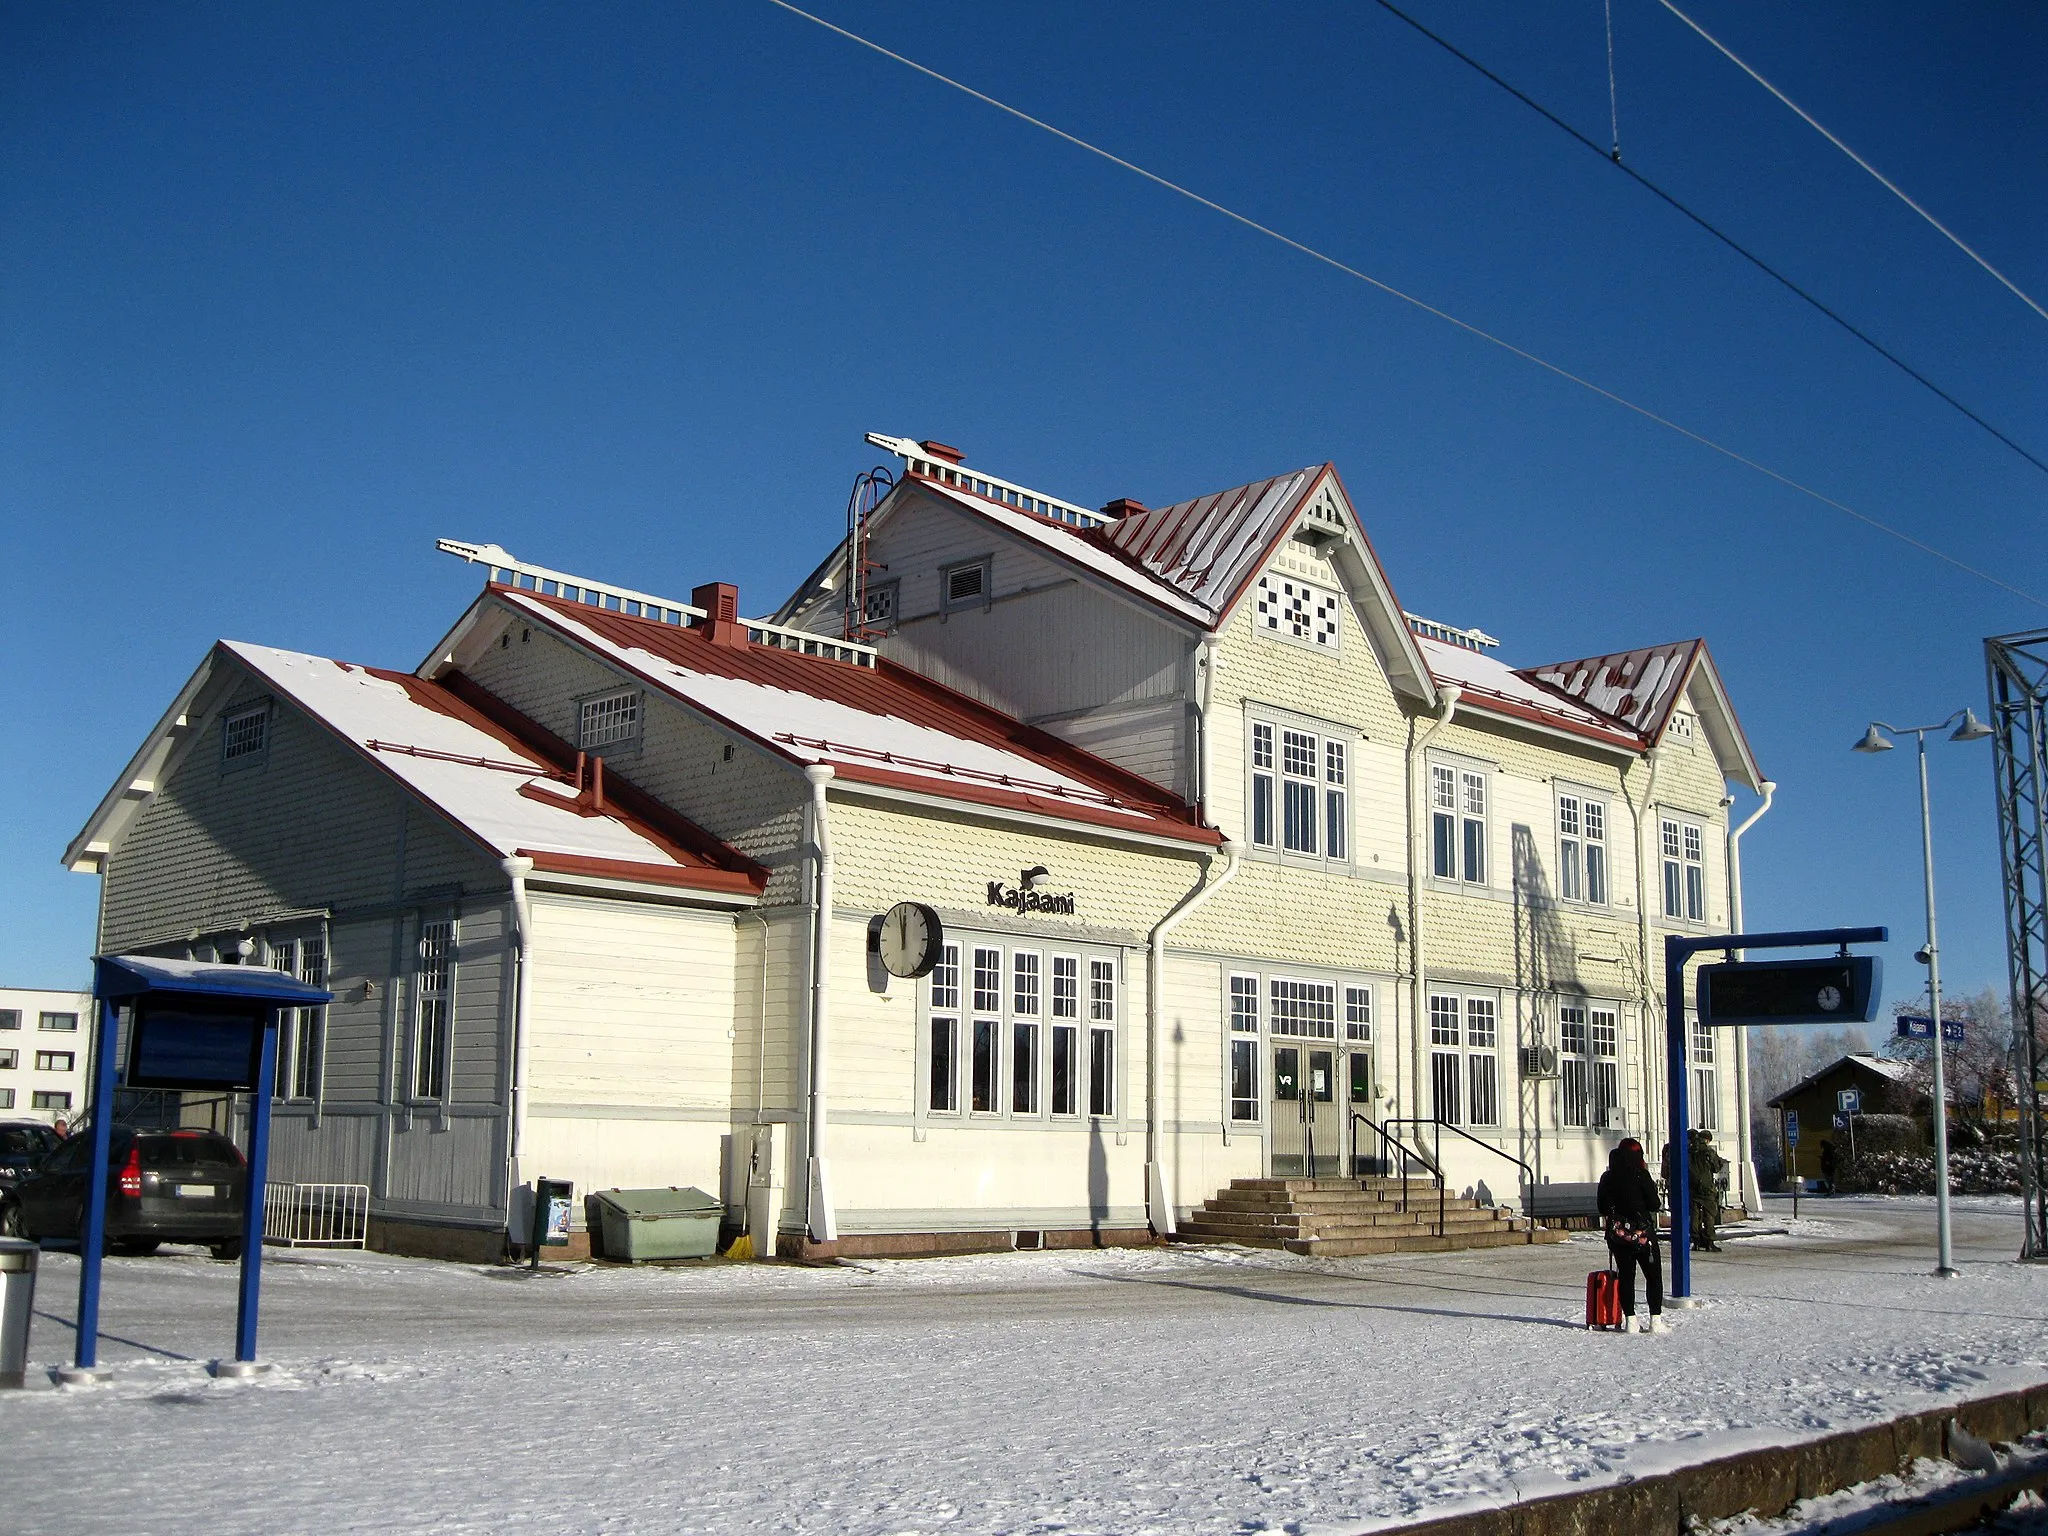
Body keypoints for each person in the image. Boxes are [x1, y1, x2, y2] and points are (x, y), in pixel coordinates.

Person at [1597, 1137, 1666, 1333]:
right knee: (1653, 1277)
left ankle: (1631, 1321)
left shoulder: (1607, 1178)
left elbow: (1601, 1207)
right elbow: (1654, 1204)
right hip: (1643, 1234)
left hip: (1618, 1236)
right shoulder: (1640, 1175)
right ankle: (1656, 1321)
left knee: (1626, 1276)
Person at [1689, 1128, 1724, 1251]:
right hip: (1707, 1187)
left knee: (1694, 1215)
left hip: (1692, 1187)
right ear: (1707, 1140)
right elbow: (1716, 1167)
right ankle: (1709, 1241)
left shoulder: (1689, 1151)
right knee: (1709, 1214)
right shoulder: (1709, 1152)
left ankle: (1696, 1241)